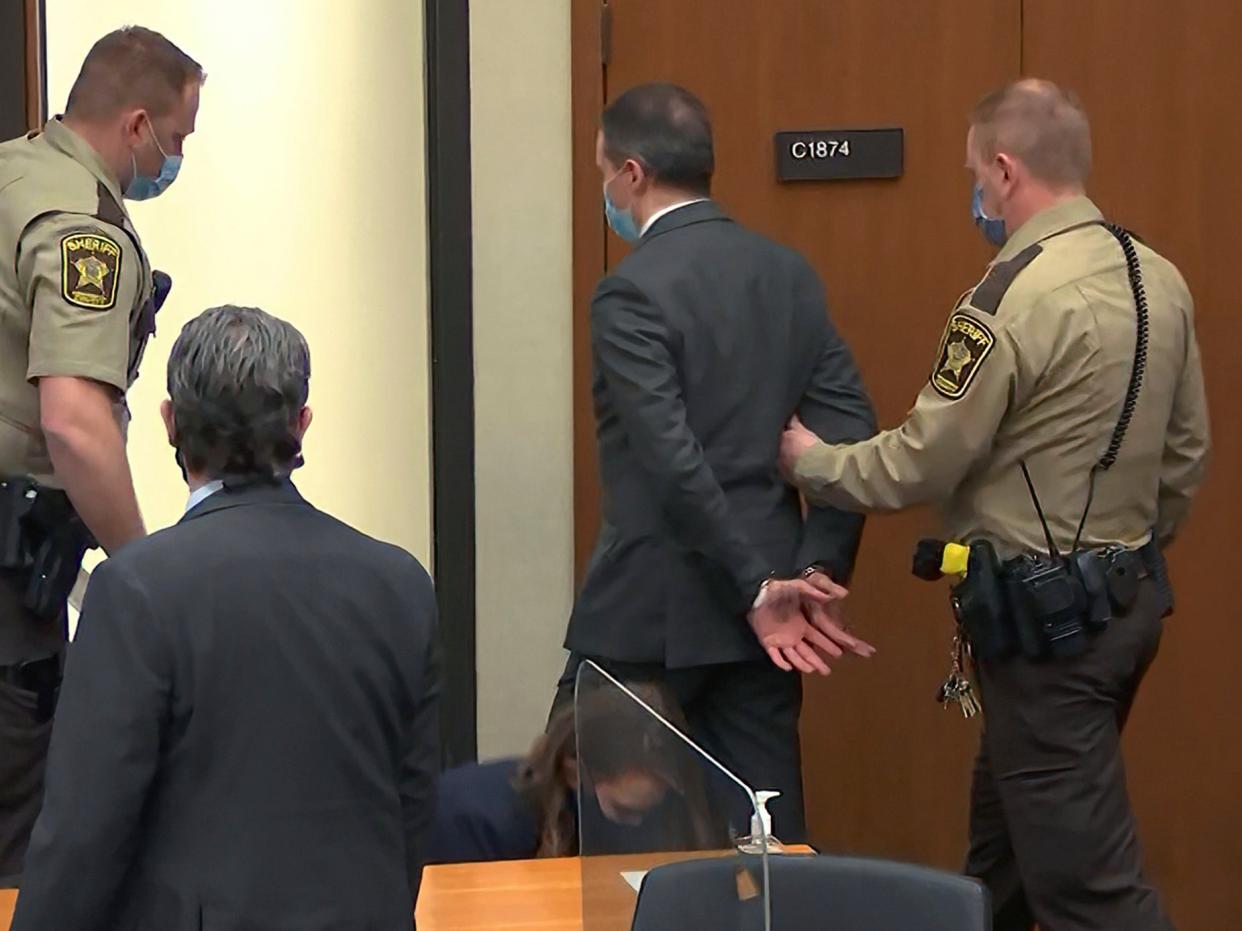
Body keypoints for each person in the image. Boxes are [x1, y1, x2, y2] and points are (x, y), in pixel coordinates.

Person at [780, 79, 1209, 931]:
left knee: (1091, 892)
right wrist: (1115, 557)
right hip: (1122, 610)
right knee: (1004, 858)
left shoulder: (1012, 296)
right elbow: (1185, 454)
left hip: (1048, 636)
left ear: (1006, 170)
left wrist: (812, 461)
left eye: (976, 173)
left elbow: (922, 459)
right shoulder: (1157, 277)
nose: (974, 193)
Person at [10, 306, 442, 931]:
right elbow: (412, 807)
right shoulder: (401, 584)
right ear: (302, 424)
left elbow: (83, 832)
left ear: (169, 423)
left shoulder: (137, 590)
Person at [557, 82, 878, 843]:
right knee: (766, 842)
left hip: (650, 614)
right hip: (759, 631)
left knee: (606, 836)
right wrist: (815, 569)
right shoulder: (788, 275)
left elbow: (669, 455)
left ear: (631, 174)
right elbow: (848, 430)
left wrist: (758, 586)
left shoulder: (630, 292)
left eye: (603, 170)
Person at [0, 25, 204, 883]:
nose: (176, 157)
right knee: (28, 844)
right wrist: (145, 573)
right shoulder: (84, 228)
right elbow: (75, 424)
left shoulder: (12, 170)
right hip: (11, 596)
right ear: (135, 127)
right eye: (179, 138)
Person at [429, 682, 719, 863]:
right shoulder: (474, 820)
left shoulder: (593, 808)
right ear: (575, 773)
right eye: (624, 811)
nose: (639, 824)